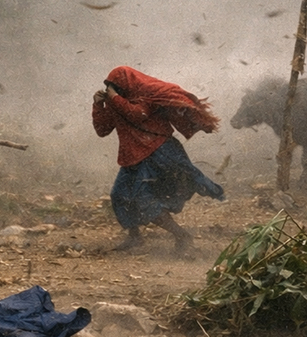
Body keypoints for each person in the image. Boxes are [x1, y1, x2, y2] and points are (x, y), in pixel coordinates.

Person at [91, 66, 225, 252]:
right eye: (109, 87)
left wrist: (114, 97)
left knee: (144, 200)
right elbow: (102, 130)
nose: (111, 90)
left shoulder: (145, 96)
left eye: (115, 86)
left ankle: (181, 235)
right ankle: (134, 237)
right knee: (119, 195)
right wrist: (98, 105)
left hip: (160, 152)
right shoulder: (117, 102)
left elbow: (138, 115)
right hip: (134, 157)